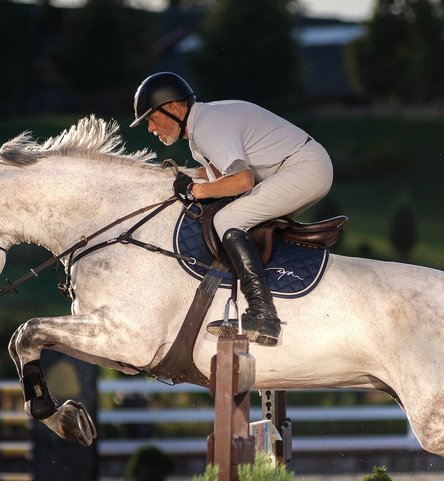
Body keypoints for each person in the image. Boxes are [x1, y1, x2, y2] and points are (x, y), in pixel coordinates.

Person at [130, 72, 334, 346]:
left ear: (174, 108)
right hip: (301, 166)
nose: (150, 129)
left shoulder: (208, 127)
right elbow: (218, 174)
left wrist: (194, 190)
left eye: (151, 119)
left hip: (304, 168)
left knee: (228, 219)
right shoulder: (202, 129)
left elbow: (241, 180)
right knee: (234, 217)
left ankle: (264, 315)